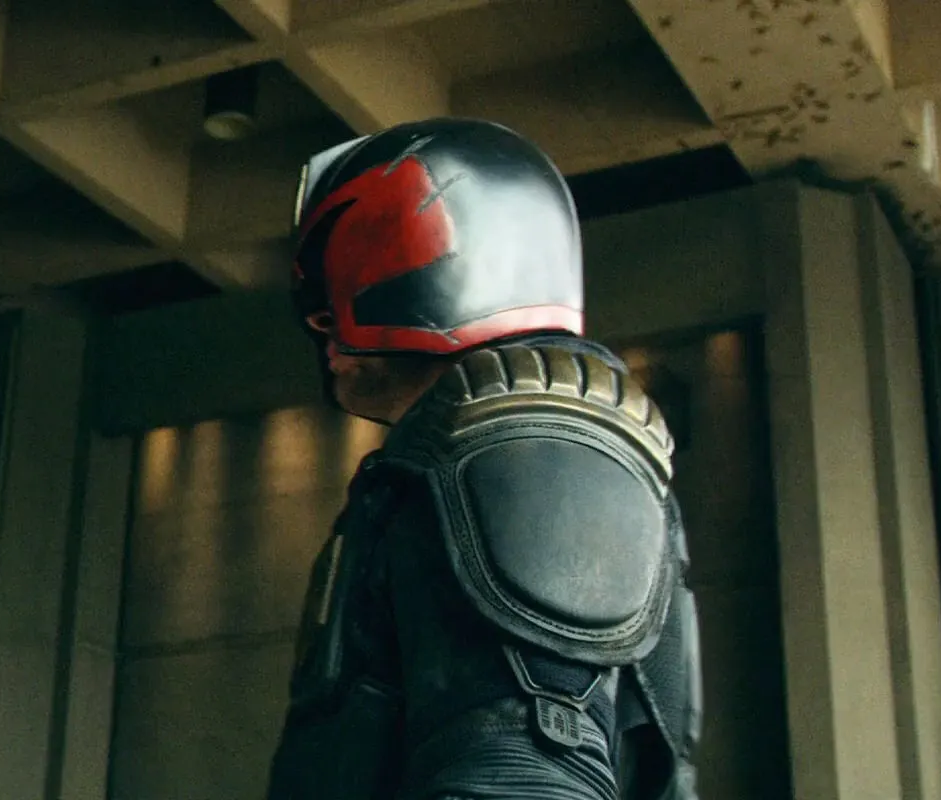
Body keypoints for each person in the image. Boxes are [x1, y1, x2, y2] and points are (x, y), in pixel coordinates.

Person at [265, 117, 703, 800]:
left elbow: (526, 778)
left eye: (327, 311)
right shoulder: (460, 457)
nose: (323, 335)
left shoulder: (527, 445)